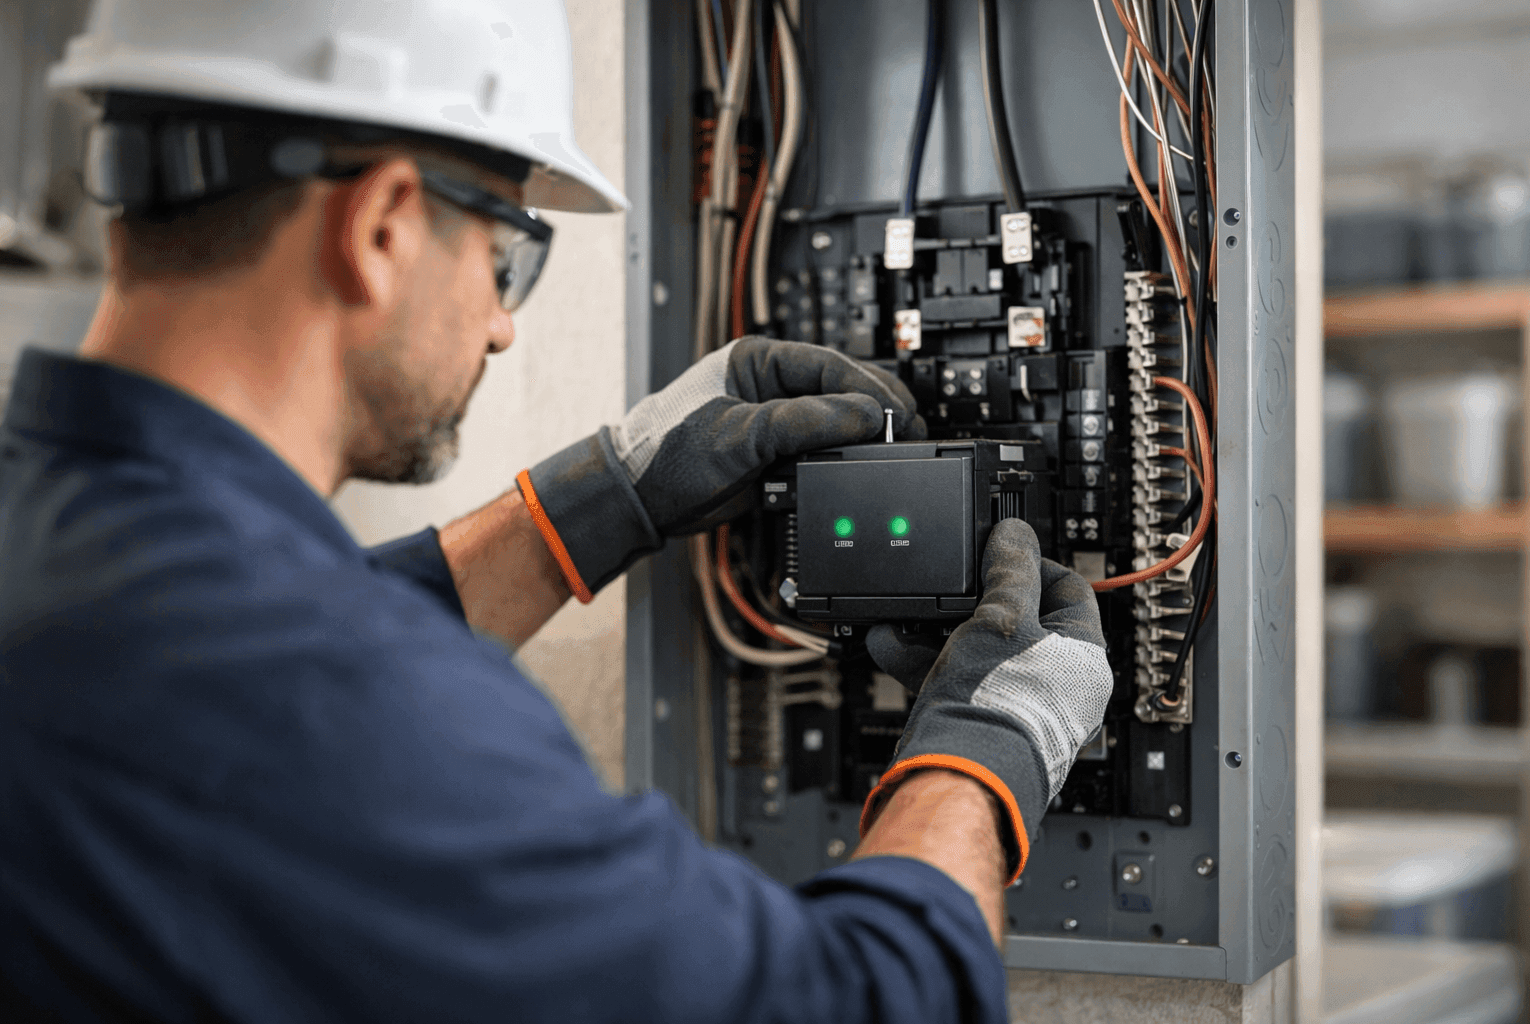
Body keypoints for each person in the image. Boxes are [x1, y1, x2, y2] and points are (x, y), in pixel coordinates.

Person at [0, 1, 1113, 1021]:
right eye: (505, 258)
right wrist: (984, 749)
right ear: (382, 225)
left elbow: (259, 629)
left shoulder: (63, 541)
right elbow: (856, 1003)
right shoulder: (338, 710)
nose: (501, 329)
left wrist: (597, 498)